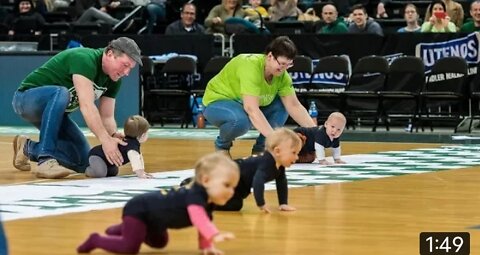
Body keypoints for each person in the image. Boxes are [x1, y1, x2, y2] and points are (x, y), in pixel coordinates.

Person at [12, 37, 143, 179]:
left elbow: (107, 116)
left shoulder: (114, 79)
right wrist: (104, 140)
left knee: (85, 162)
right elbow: (87, 106)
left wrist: (112, 136)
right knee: (61, 93)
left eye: (130, 68)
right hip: (25, 100)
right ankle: (45, 160)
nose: (127, 72)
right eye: (125, 65)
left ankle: (28, 148)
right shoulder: (85, 59)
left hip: (56, 114)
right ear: (110, 54)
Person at [77, 152, 240, 254]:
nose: (232, 192)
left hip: (155, 220)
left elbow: (203, 225)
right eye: (227, 185)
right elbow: (199, 219)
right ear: (206, 180)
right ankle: (96, 239)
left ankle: (121, 229)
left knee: (159, 243)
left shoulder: (208, 202)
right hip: (140, 210)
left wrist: (206, 247)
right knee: (129, 248)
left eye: (233, 187)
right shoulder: (195, 195)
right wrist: (215, 235)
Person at [202, 36, 316, 156]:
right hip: (217, 102)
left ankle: (262, 149)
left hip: (244, 106)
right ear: (270, 56)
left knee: (283, 105)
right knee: (240, 121)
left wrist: (317, 132)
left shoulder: (282, 75)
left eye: (288, 65)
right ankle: (222, 146)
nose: (284, 69)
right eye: (281, 64)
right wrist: (275, 139)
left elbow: (294, 106)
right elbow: (251, 109)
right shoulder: (250, 66)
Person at [215, 128, 302, 212]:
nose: (297, 157)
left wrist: (283, 203)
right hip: (225, 178)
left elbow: (281, 183)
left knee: (236, 203)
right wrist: (261, 203)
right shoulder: (266, 163)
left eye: (297, 153)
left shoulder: (279, 166)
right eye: (294, 153)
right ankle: (206, 202)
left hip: (237, 186)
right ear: (277, 151)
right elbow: (257, 182)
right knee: (234, 205)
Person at [86, 115, 151, 178]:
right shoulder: (131, 146)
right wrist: (140, 174)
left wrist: (142, 171)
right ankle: (87, 170)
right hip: (97, 156)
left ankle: (103, 168)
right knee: (100, 173)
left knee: (113, 172)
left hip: (108, 162)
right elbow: (135, 160)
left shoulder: (132, 143)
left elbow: (139, 157)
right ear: (143, 135)